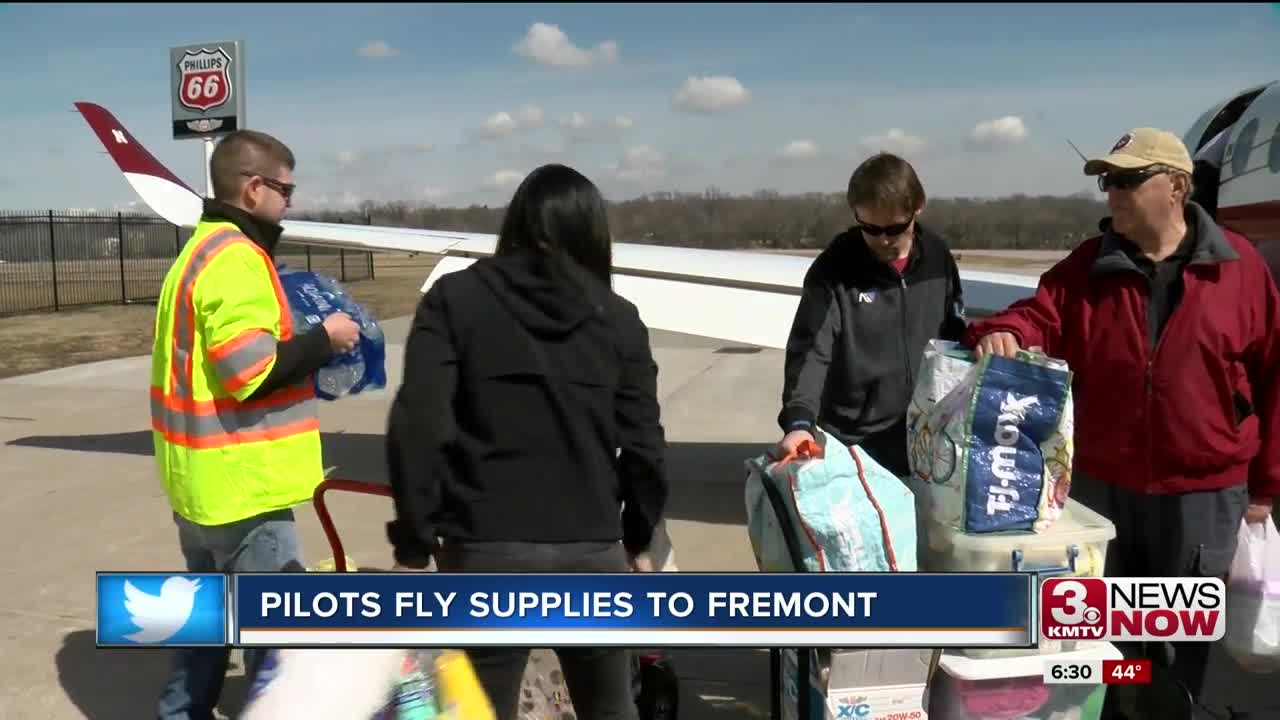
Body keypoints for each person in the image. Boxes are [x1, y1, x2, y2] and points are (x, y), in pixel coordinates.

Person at [964, 127, 1280, 713]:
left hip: (1202, 495)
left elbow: (1272, 379)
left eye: (1129, 180)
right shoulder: (1088, 265)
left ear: (1177, 187)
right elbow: (1039, 313)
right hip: (1104, 491)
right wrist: (1003, 329)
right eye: (1107, 180)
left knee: (1181, 645)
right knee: (1104, 637)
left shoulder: (1242, 271)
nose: (1112, 192)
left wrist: (1265, 485)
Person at [384, 163, 668, 720]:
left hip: (484, 553)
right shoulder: (619, 318)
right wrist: (636, 539)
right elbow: (646, 448)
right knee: (611, 708)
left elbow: (418, 425)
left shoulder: (454, 300)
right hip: (592, 551)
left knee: (479, 709)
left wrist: (414, 546)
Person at [149, 129, 360, 719]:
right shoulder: (237, 257)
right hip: (245, 487)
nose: (290, 202)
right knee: (276, 646)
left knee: (204, 630)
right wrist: (326, 339)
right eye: (286, 190)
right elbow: (250, 370)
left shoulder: (198, 250)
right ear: (253, 188)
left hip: (200, 485)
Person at [776, 152, 967, 476]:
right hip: (854, 444)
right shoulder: (834, 268)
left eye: (895, 228)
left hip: (928, 438)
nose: (883, 240)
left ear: (917, 208)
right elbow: (811, 352)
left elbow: (955, 337)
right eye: (870, 228)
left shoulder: (937, 257)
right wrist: (799, 422)